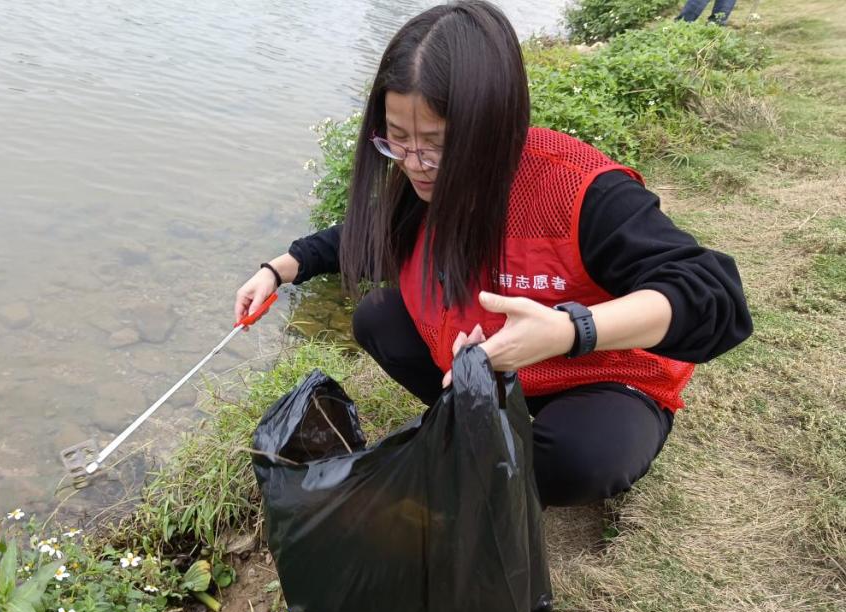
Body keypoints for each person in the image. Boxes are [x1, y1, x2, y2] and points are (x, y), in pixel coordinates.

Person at [234, 1, 751, 508]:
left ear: (494, 126)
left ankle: (516, 455)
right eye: (397, 139)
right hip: (501, 366)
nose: (416, 164)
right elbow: (368, 237)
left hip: (595, 375)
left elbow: (714, 296)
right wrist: (279, 269)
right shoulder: (421, 182)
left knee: (580, 459)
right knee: (377, 318)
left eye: (438, 143)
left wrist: (571, 330)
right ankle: (483, 428)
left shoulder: (578, 190)